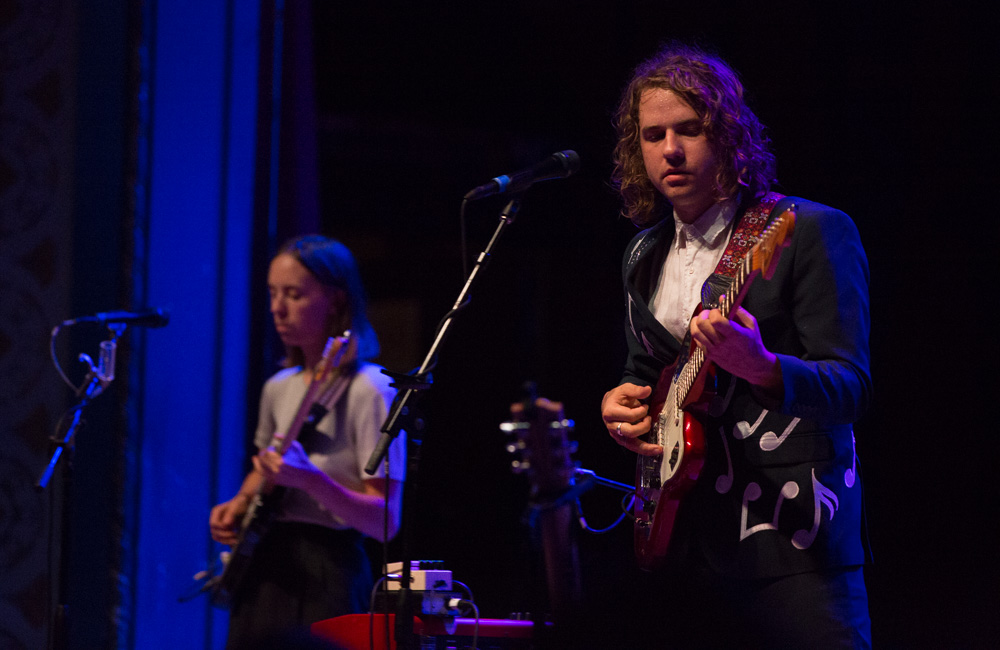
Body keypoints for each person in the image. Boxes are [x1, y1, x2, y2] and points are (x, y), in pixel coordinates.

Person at [599, 43, 873, 648]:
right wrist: (619, 407)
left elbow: (852, 387)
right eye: (652, 134)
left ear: (727, 135)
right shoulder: (642, 256)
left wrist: (763, 366)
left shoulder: (809, 229)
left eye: (689, 130)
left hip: (794, 544)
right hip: (685, 546)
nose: (670, 149)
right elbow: (645, 375)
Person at [209, 235, 405, 649]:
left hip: (327, 572)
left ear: (335, 300)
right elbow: (267, 467)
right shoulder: (280, 387)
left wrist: (312, 481)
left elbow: (386, 520)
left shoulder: (371, 389)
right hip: (267, 567)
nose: (277, 309)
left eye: (294, 295)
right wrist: (238, 505)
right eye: (273, 293)